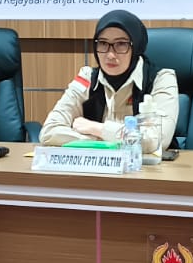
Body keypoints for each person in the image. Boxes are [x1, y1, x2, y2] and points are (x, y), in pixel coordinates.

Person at [40, 10, 179, 155]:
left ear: (136, 47)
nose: (110, 55)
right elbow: (49, 132)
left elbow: (156, 141)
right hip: (97, 166)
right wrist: (108, 142)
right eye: (103, 43)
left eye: (121, 44)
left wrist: (97, 129)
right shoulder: (87, 78)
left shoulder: (161, 79)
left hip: (146, 167)